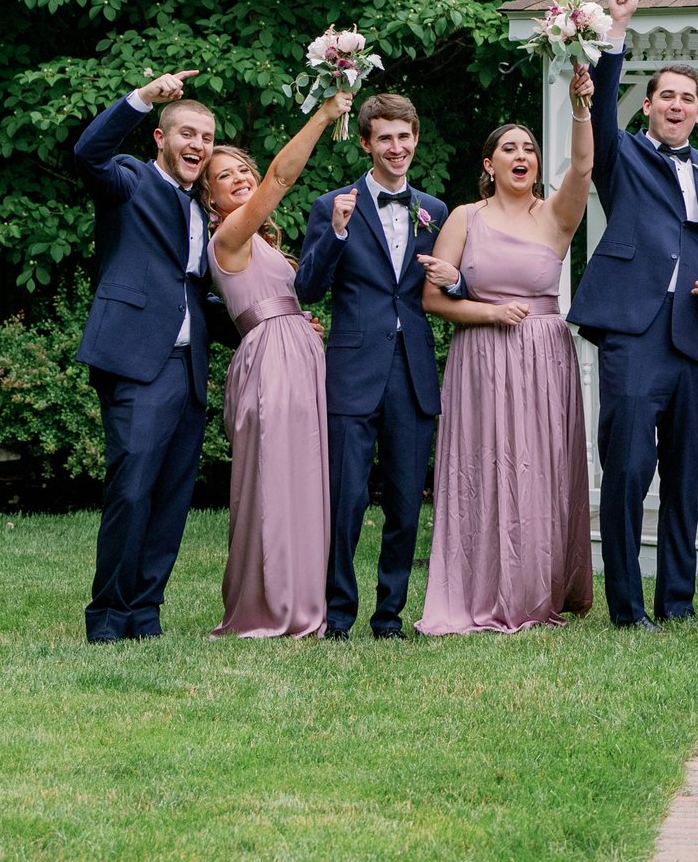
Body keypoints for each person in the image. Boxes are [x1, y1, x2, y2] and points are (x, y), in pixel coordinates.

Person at [581, 0, 698, 628]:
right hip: (632, 332)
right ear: (648, 106)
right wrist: (616, 33)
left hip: (696, 339)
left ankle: (676, 602)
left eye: (688, 98)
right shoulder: (621, 156)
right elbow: (598, 113)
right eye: (667, 97)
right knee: (627, 469)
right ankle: (627, 608)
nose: (677, 105)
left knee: (686, 473)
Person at [415, 66, 601, 634]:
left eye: (529, 149)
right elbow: (432, 299)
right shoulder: (463, 218)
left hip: (545, 356)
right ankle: (478, 588)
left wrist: (580, 108)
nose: (522, 155)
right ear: (488, 164)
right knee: (485, 466)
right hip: (482, 356)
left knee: (539, 469)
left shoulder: (556, 216)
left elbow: (586, 166)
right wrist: (489, 312)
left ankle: (536, 591)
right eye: (509, 148)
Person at [71, 68, 227, 642]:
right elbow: (89, 152)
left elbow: (200, 292)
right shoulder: (129, 181)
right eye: (187, 133)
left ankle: (145, 613)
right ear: (160, 138)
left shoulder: (201, 209)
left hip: (188, 369)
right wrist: (141, 98)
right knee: (132, 488)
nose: (198, 145)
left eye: (206, 138)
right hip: (136, 361)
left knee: (170, 497)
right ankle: (108, 618)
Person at [295, 92, 456, 640]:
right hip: (352, 371)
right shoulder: (331, 205)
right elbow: (307, 288)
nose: (397, 147)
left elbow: (461, 282)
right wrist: (337, 233)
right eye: (385, 138)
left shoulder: (435, 210)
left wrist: (455, 280)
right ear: (365, 143)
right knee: (346, 500)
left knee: (408, 503)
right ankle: (337, 615)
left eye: (405, 137)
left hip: (411, 371)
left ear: (416, 139)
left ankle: (389, 616)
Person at [203, 90, 350, 639]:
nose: (242, 177)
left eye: (243, 168)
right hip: (269, 362)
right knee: (274, 481)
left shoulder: (263, 243)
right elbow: (279, 181)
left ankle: (302, 601)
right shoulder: (228, 235)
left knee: (304, 479)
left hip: (299, 355)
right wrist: (323, 116)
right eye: (226, 176)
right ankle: (270, 604)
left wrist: (297, 322)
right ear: (209, 196)